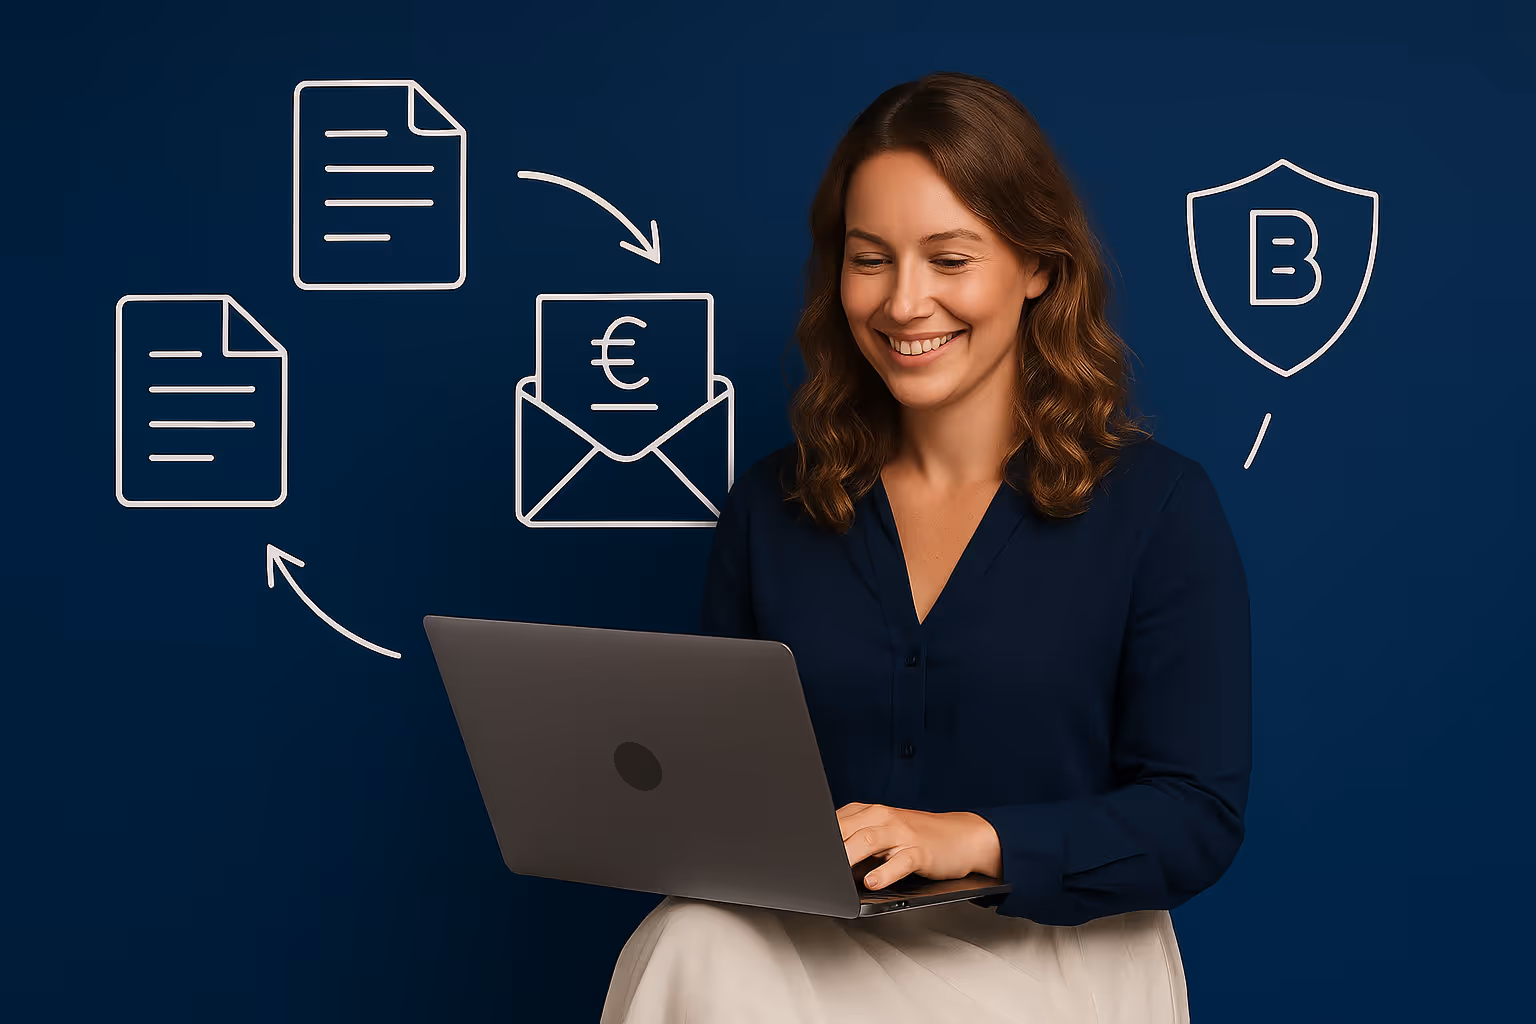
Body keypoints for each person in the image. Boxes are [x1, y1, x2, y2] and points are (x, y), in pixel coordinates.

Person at [600, 71, 1251, 1023]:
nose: (905, 304)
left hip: (1055, 963)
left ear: (1038, 267)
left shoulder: (1159, 508)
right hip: (809, 951)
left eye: (950, 259)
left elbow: (1196, 817)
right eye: (872, 260)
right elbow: (721, 792)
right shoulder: (768, 507)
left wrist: (972, 839)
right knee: (687, 937)